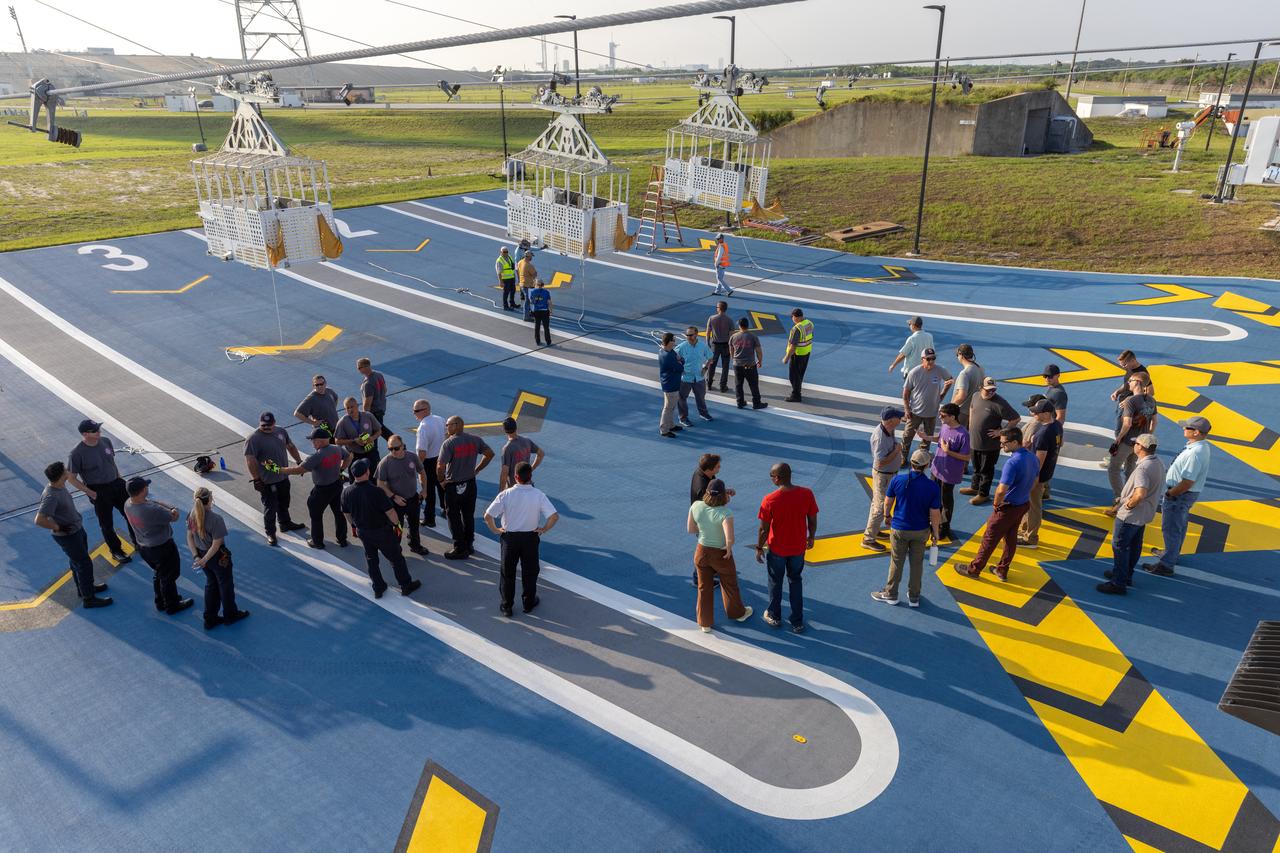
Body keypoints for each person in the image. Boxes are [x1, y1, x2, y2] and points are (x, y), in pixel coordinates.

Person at [955, 428, 1038, 582]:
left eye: (1004, 443)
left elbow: (1001, 490)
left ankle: (974, 569)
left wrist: (996, 504)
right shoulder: (1032, 458)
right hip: (1023, 504)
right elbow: (1035, 481)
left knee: (989, 539)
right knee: (1011, 538)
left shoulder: (1012, 463)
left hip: (1007, 508)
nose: (1002, 446)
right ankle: (1002, 569)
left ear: (1014, 442)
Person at [484, 461, 559, 617]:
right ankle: (528, 603)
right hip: (530, 538)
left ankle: (507, 606)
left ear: (515, 476)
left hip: (509, 538)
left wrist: (496, 530)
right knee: (530, 572)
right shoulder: (538, 495)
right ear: (530, 476)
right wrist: (543, 529)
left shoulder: (505, 494)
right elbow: (554, 516)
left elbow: (488, 516)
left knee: (507, 572)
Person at [871, 448, 942, 607]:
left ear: (911, 463)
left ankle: (891, 594)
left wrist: (887, 516)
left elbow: (888, 501)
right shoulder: (932, 487)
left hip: (899, 528)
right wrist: (935, 533)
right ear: (927, 465)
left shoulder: (898, 480)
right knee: (917, 564)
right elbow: (935, 513)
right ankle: (914, 597)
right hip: (921, 530)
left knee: (896, 562)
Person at [35, 461, 112, 609]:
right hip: (68, 536)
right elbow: (39, 519)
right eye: (65, 471)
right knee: (84, 564)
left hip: (76, 530)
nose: (67, 472)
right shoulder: (51, 496)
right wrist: (57, 526)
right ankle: (89, 599)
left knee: (77, 562)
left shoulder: (59, 486)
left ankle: (84, 589)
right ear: (60, 476)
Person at [341, 459, 421, 599]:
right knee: (396, 558)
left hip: (363, 531)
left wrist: (354, 526)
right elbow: (390, 512)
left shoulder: (346, 492)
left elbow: (346, 513)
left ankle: (378, 587)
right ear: (367, 472)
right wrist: (397, 525)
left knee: (371, 559)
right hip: (381, 531)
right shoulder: (376, 491)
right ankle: (405, 585)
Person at [1143, 416, 1212, 577]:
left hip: (1179, 495)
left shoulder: (1194, 454)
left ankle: (1166, 564)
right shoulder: (1200, 447)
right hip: (1184, 495)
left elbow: (1187, 481)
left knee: (1171, 528)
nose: (1183, 429)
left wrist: (1170, 493)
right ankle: (1172, 554)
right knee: (1179, 525)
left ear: (1196, 432)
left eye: (1187, 428)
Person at [1097, 435, 1165, 595]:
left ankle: (1118, 583)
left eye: (1136, 443)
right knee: (1135, 545)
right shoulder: (1158, 462)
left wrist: (1127, 505)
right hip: (1144, 515)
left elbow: (1140, 493)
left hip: (1131, 515)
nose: (1134, 445)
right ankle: (1125, 575)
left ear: (1140, 447)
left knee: (1119, 546)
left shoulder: (1143, 468)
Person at [755, 462, 819, 634]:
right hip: (798, 548)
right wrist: (811, 537)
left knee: (775, 581)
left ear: (777, 478)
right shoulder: (807, 494)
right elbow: (812, 520)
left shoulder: (770, 500)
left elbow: (763, 529)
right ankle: (797, 621)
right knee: (795, 580)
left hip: (777, 549)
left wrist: (759, 547)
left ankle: (774, 616)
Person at [687, 478, 752, 632]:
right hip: (720, 553)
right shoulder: (725, 513)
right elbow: (730, 538)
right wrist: (728, 548)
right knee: (729, 584)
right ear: (723, 495)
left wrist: (705, 531)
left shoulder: (696, 506)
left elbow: (690, 529)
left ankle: (705, 623)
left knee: (704, 588)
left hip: (701, 552)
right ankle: (738, 613)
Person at [65, 419, 133, 564]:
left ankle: (138, 541)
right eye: (95, 431)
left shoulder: (106, 441)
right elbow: (71, 478)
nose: (99, 432)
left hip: (117, 484)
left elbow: (111, 462)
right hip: (98, 490)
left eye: (98, 429)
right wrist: (91, 493)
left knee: (130, 514)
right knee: (106, 524)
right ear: (85, 434)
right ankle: (116, 550)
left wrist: (121, 479)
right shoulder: (77, 453)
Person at [123, 477, 193, 615]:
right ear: (143, 490)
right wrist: (173, 508)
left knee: (159, 574)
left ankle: (161, 600)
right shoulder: (151, 510)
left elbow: (150, 503)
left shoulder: (128, 504)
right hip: (162, 547)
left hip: (144, 546)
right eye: (145, 487)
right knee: (170, 575)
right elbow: (174, 516)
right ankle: (172, 605)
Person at [186, 487, 249, 630]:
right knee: (225, 584)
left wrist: (197, 557)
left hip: (201, 554)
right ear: (209, 500)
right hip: (217, 558)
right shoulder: (216, 519)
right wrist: (205, 559)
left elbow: (189, 537)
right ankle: (230, 614)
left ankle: (210, 618)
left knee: (211, 584)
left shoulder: (192, 515)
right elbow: (216, 544)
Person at [280, 429, 350, 550]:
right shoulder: (336, 449)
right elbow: (349, 456)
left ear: (319, 442)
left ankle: (317, 541)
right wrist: (341, 469)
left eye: (313, 440)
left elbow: (298, 470)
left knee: (316, 515)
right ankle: (342, 538)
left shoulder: (317, 456)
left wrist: (279, 469)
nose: (312, 443)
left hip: (322, 490)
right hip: (337, 485)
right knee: (339, 513)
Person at [436, 416, 495, 560]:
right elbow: (489, 454)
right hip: (470, 483)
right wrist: (477, 469)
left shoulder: (449, 443)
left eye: (448, 425)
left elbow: (440, 466)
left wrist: (442, 481)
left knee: (453, 516)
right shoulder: (475, 439)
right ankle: (469, 544)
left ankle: (459, 547)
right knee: (468, 515)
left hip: (453, 485)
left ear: (456, 425)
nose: (446, 427)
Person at [243, 411, 305, 546]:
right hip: (267, 480)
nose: (266, 428)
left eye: (268, 425)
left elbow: (290, 446)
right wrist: (256, 479)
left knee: (284, 501)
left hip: (283, 476)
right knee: (270, 508)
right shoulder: (253, 438)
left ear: (274, 423)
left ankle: (285, 523)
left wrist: (299, 461)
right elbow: (250, 459)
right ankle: (270, 532)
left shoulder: (281, 432)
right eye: (263, 425)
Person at [961, 378, 1020, 506]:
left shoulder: (1000, 403)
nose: (991, 393)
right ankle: (974, 487)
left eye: (993, 390)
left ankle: (983, 494)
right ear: (980, 388)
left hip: (989, 445)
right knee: (976, 467)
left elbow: (1015, 418)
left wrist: (1001, 432)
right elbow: (972, 409)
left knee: (986, 470)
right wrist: (971, 426)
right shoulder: (976, 396)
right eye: (988, 390)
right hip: (975, 441)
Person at [1017, 400, 1063, 549]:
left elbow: (1038, 460)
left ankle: (1031, 538)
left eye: (1037, 412)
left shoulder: (1043, 433)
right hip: (1048, 471)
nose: (1034, 414)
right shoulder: (1057, 426)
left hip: (1037, 475)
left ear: (1045, 414)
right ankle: (1024, 529)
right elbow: (1059, 444)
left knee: (1033, 505)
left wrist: (1033, 478)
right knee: (1030, 503)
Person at [923, 403, 970, 541]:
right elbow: (939, 439)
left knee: (946, 501)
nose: (940, 417)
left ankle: (944, 526)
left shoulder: (963, 434)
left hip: (949, 474)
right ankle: (932, 522)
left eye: (943, 415)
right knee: (932, 497)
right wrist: (928, 438)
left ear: (952, 417)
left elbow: (966, 457)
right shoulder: (944, 426)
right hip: (936, 468)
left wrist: (947, 451)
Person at [1108, 372, 1158, 499]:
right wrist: (1146, 437)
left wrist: (1118, 439)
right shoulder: (1152, 401)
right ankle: (1129, 495)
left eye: (1130, 380)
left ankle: (1120, 498)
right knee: (1130, 471)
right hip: (1141, 444)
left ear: (1137, 382)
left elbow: (1127, 424)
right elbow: (1154, 422)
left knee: (1114, 469)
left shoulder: (1131, 401)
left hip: (1127, 442)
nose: (1128, 383)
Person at [377, 435, 429, 556]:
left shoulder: (412, 457)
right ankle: (395, 550)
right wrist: (394, 496)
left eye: (396, 448)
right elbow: (380, 483)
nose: (393, 452)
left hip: (412, 498)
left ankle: (415, 545)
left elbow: (422, 472)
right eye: (391, 449)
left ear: (403, 446)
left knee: (414, 525)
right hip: (396, 502)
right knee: (397, 527)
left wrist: (424, 490)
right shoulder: (385, 462)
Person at [862, 406, 904, 553]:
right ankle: (868, 539)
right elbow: (880, 462)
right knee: (880, 508)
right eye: (899, 417)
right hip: (883, 476)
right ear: (891, 420)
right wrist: (897, 451)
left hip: (888, 474)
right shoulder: (880, 437)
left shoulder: (889, 429)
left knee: (877, 504)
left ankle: (874, 530)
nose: (901, 419)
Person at [901, 348, 953, 458]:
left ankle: (921, 459)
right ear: (922, 359)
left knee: (927, 439)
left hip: (931, 413)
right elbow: (905, 394)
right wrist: (906, 410)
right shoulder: (914, 372)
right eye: (928, 359)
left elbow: (950, 380)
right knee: (907, 437)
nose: (931, 361)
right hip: (915, 412)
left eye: (933, 358)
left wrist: (943, 392)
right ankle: (903, 457)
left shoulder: (940, 370)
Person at [413, 398, 447, 528]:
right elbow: (447, 435)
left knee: (428, 490)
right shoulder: (440, 419)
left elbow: (422, 452)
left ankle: (429, 518)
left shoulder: (423, 427)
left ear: (425, 410)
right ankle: (446, 509)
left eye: (416, 411)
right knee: (441, 485)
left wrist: (418, 467)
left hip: (428, 462)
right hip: (441, 459)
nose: (414, 413)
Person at [675, 325, 713, 426]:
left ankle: (703, 414)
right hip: (685, 378)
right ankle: (683, 418)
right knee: (682, 398)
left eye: (690, 335)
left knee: (701, 397)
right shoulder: (682, 346)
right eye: (687, 335)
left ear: (696, 334)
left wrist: (705, 368)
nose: (688, 337)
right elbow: (673, 357)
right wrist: (680, 369)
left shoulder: (703, 346)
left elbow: (710, 357)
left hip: (699, 378)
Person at [335, 396, 383, 472]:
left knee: (375, 476)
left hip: (371, 452)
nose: (350, 410)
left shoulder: (368, 416)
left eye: (352, 407)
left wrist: (372, 438)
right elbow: (337, 441)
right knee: (355, 479)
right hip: (354, 456)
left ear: (357, 406)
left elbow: (379, 431)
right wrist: (354, 440)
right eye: (347, 408)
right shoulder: (343, 422)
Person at [729, 317, 767, 410]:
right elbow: (758, 351)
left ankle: (740, 402)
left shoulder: (733, 337)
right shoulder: (753, 336)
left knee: (738, 384)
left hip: (737, 364)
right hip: (750, 365)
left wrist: (734, 360)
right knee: (753, 384)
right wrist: (760, 361)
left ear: (739, 325)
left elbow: (731, 351)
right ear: (747, 325)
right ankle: (756, 403)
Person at [498, 417, 544, 491]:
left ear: (505, 430)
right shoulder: (527, 441)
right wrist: (531, 469)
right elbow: (541, 454)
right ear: (516, 427)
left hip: (514, 489)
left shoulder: (507, 448)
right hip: (529, 485)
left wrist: (500, 492)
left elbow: (504, 473)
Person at [357, 357, 395, 442]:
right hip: (381, 408)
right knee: (379, 429)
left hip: (373, 412)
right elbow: (385, 390)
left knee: (379, 430)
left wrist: (364, 416)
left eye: (360, 367)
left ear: (366, 367)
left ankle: (397, 443)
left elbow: (367, 403)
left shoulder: (368, 383)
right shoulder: (379, 375)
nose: (358, 370)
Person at [782, 308, 814, 403]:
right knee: (800, 374)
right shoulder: (809, 323)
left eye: (792, 317)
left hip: (798, 354)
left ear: (796, 317)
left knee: (794, 376)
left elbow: (793, 345)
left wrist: (786, 358)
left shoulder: (796, 329)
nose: (792, 319)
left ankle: (796, 395)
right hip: (806, 352)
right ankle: (798, 391)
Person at [951, 344, 985, 429]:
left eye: (957, 355)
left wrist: (950, 408)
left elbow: (961, 396)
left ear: (961, 355)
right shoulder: (980, 368)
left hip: (961, 412)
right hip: (973, 411)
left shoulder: (964, 373)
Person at [657, 332, 684, 437]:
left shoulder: (665, 351)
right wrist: (681, 360)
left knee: (671, 407)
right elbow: (680, 367)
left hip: (671, 383)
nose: (675, 342)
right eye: (673, 340)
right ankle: (664, 429)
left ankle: (671, 425)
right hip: (671, 384)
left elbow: (679, 361)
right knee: (668, 408)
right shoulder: (668, 356)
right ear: (668, 342)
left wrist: (680, 360)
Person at [704, 301, 734, 393]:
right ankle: (723, 386)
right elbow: (731, 335)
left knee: (712, 364)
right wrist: (731, 347)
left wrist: (707, 342)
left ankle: (709, 383)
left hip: (715, 345)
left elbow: (708, 332)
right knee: (725, 366)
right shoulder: (729, 320)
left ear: (719, 308)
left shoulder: (712, 318)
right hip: (725, 345)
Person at [529, 278, 553, 346]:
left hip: (537, 311)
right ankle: (548, 341)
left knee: (537, 327)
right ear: (542, 285)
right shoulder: (546, 292)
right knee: (546, 327)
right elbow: (549, 302)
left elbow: (531, 302)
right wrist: (551, 311)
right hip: (545, 311)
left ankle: (538, 341)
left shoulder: (533, 292)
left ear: (536, 284)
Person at [517, 249, 538, 321]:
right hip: (528, 285)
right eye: (531, 256)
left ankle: (529, 313)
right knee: (528, 301)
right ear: (528, 256)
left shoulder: (520, 262)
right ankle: (526, 316)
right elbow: (535, 274)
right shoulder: (529, 265)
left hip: (522, 284)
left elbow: (518, 270)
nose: (532, 258)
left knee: (528, 300)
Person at [495, 246, 518, 311]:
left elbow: (512, 267)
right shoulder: (499, 260)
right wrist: (500, 281)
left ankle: (512, 303)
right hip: (505, 279)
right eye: (504, 252)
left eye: (507, 252)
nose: (506, 253)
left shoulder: (509, 257)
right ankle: (505, 305)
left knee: (513, 291)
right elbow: (499, 272)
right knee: (506, 292)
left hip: (511, 277)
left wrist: (514, 276)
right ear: (501, 252)